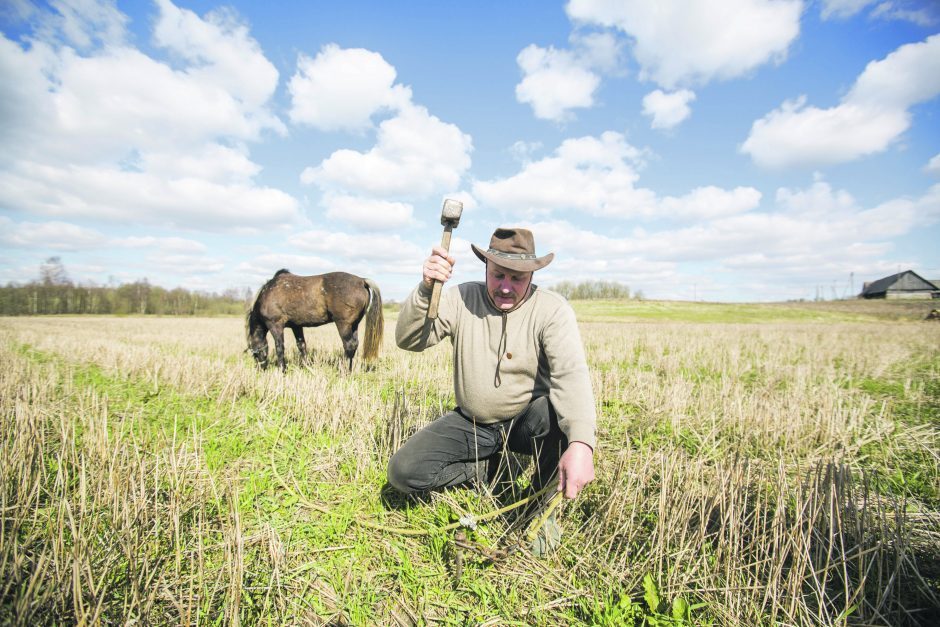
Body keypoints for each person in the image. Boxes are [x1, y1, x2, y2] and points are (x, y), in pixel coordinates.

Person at [387, 227, 597, 555]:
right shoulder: (460, 299)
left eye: (517, 278)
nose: (505, 287)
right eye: (498, 275)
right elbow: (410, 340)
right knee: (404, 472)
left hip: (525, 423)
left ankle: (539, 507)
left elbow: (571, 376)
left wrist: (582, 443)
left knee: (555, 416)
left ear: (531, 275)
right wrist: (427, 290)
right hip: (473, 424)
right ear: (485, 268)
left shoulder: (552, 310)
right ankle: (488, 470)